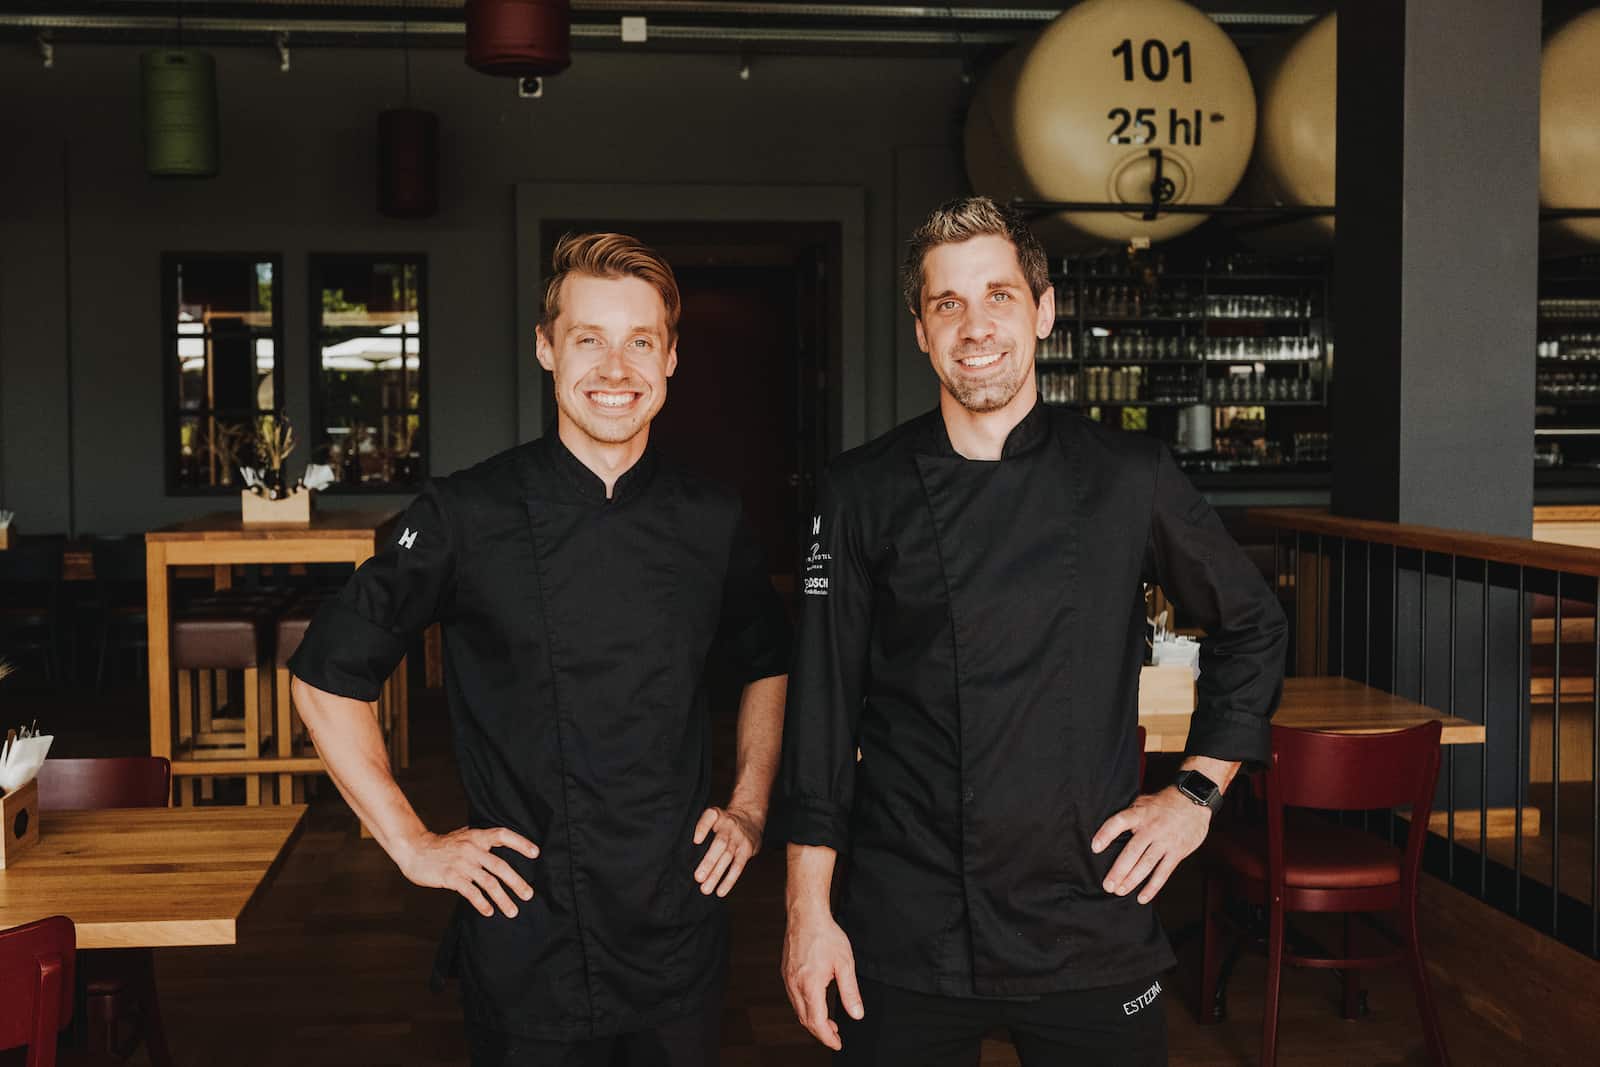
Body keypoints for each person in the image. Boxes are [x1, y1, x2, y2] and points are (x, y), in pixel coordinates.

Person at [779, 197, 1287, 1066]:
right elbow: (823, 712)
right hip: (907, 917)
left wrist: (1196, 794)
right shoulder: (859, 490)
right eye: (948, 304)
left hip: (1086, 907)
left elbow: (1255, 624)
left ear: (1043, 311)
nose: (974, 327)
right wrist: (806, 911)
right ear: (920, 330)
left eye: (999, 296)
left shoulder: (1131, 475)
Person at [289, 232, 790, 1067]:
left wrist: (749, 806)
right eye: (589, 338)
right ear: (546, 349)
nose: (615, 368)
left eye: (640, 342)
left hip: (675, 923)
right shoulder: (466, 513)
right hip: (529, 934)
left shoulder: (712, 518)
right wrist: (411, 843)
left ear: (671, 359)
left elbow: (765, 660)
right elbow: (326, 674)